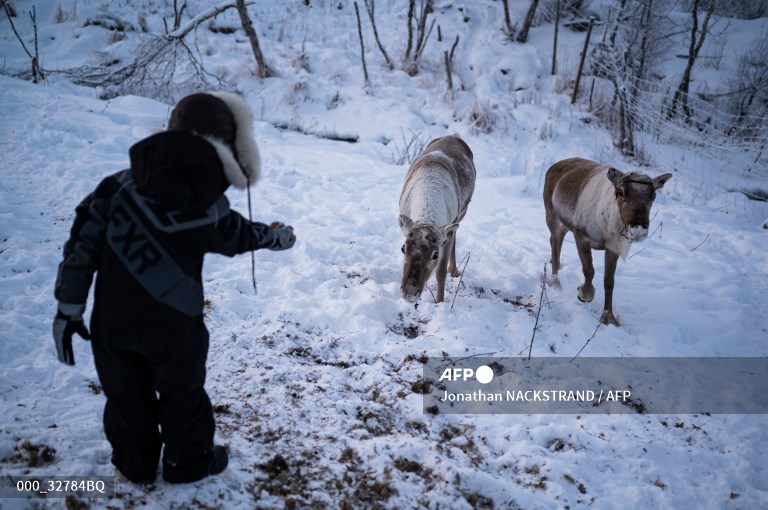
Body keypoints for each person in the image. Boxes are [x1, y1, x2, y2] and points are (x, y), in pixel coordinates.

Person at [52, 91, 295, 484]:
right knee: (183, 395)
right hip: (176, 328)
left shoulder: (115, 189)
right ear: (227, 150)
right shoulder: (208, 206)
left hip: (112, 325)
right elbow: (237, 236)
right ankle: (189, 462)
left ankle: (135, 462)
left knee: (126, 398)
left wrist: (68, 308)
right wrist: (273, 237)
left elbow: (81, 248)